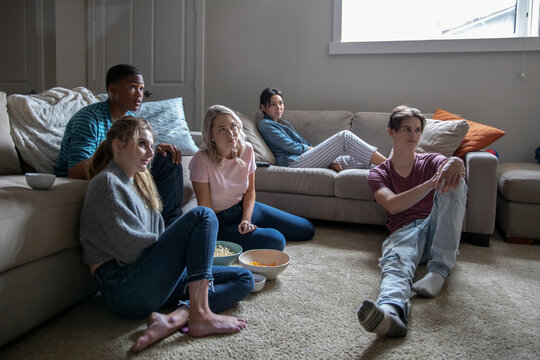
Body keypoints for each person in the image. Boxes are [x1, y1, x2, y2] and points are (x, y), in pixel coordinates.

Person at [80, 116, 254, 352]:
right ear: (118, 145)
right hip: (122, 287)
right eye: (142, 144)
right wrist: (180, 248)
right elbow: (130, 253)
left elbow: (156, 239)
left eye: (151, 145)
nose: (150, 152)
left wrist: (182, 256)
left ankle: (178, 317)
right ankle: (201, 314)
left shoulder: (139, 183)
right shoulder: (108, 183)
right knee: (204, 215)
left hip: (146, 282)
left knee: (244, 279)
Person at [357, 105, 467, 337]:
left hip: (435, 228)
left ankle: (439, 270)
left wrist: (456, 162)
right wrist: (429, 184)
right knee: (395, 264)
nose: (413, 135)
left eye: (417, 130)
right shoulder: (378, 173)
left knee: (456, 181)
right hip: (404, 233)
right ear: (391, 132)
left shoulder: (430, 161)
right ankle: (390, 314)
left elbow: (448, 167)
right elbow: (393, 204)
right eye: (407, 129)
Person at [54, 64, 183, 226]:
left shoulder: (131, 120)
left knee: (167, 157)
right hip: (98, 174)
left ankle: (170, 226)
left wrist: (151, 150)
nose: (139, 94)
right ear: (112, 90)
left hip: (121, 170)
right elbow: (76, 171)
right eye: (132, 87)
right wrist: (119, 157)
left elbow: (133, 155)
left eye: (142, 89)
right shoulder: (88, 118)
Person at [189, 105, 315, 251]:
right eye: (222, 129)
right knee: (276, 240)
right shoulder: (201, 160)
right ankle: (245, 233)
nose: (231, 134)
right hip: (220, 222)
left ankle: (253, 227)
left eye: (233, 126)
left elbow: (250, 191)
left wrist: (246, 219)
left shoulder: (247, 149)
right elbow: (206, 210)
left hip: (245, 208)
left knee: (306, 228)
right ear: (211, 135)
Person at [257, 88, 387, 172]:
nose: (278, 107)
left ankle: (393, 172)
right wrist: (318, 152)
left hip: (304, 158)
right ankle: (391, 166)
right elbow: (291, 147)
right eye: (273, 104)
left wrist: (324, 159)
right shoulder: (265, 125)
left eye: (281, 103)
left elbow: (303, 143)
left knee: (358, 160)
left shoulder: (283, 123)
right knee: (344, 137)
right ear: (263, 107)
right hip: (293, 162)